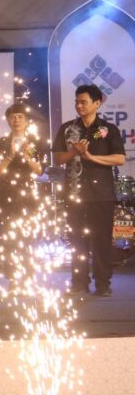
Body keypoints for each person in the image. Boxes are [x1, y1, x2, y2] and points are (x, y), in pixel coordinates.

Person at [53, 84, 125, 296]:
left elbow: (119, 158)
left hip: (101, 193)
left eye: (83, 102)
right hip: (74, 192)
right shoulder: (67, 129)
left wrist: (91, 157)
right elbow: (58, 159)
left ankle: (103, 283)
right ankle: (79, 282)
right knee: (77, 239)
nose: (79, 106)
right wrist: (74, 151)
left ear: (97, 103)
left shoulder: (108, 129)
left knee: (101, 239)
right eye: (76, 102)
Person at [0, 103, 46, 275]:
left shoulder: (35, 142)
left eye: (20, 117)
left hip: (28, 193)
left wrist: (26, 157)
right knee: (8, 235)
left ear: (27, 120)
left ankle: (27, 274)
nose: (16, 120)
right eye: (13, 117)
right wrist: (10, 156)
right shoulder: (1, 142)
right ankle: (12, 276)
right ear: (8, 120)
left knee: (27, 235)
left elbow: (39, 170)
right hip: (6, 193)